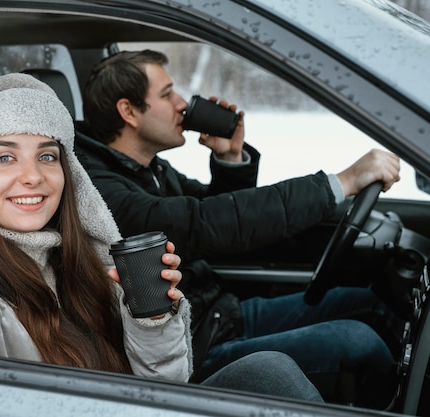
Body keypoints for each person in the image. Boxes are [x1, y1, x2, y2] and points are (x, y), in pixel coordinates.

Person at [0, 72, 323, 402]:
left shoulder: (81, 261)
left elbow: (165, 389)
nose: (33, 176)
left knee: (271, 370)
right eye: (5, 157)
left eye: (48, 155)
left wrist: (151, 321)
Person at [74, 49, 403, 407]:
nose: (183, 103)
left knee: (366, 303)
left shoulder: (149, 168)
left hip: (218, 315)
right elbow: (202, 223)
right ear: (129, 111)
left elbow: (222, 222)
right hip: (192, 348)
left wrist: (230, 159)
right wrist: (339, 183)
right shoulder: (99, 187)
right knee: (358, 342)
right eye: (167, 94)